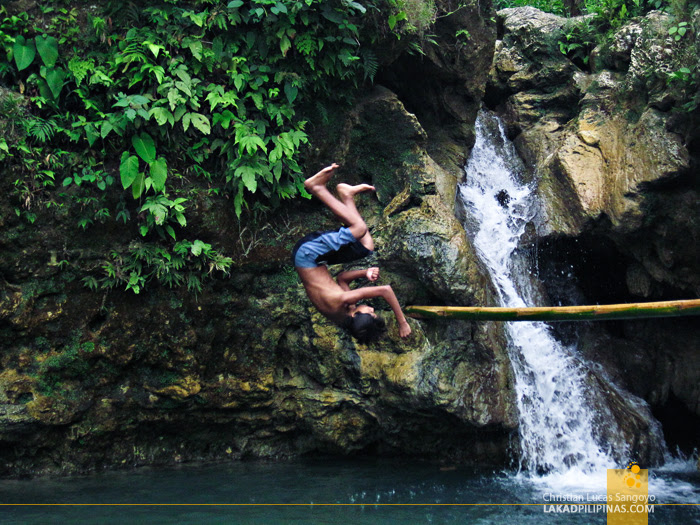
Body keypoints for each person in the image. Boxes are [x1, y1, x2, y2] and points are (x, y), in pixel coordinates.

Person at [292, 163, 412, 343]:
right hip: (314, 260)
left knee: (359, 228)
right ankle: (347, 196)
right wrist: (365, 272)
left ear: (358, 316)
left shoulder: (342, 301)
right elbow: (342, 278)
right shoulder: (344, 312)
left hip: (309, 254)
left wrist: (402, 322)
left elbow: (385, 290)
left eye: (370, 313)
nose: (372, 309)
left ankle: (316, 188)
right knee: (366, 247)